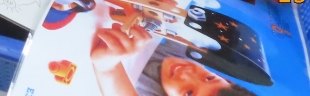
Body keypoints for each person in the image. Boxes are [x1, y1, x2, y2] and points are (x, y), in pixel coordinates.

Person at [91, 26, 256, 96]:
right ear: (226, 79)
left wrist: (107, 61)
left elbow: (107, 70)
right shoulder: (184, 53)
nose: (187, 73)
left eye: (189, 93)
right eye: (209, 78)